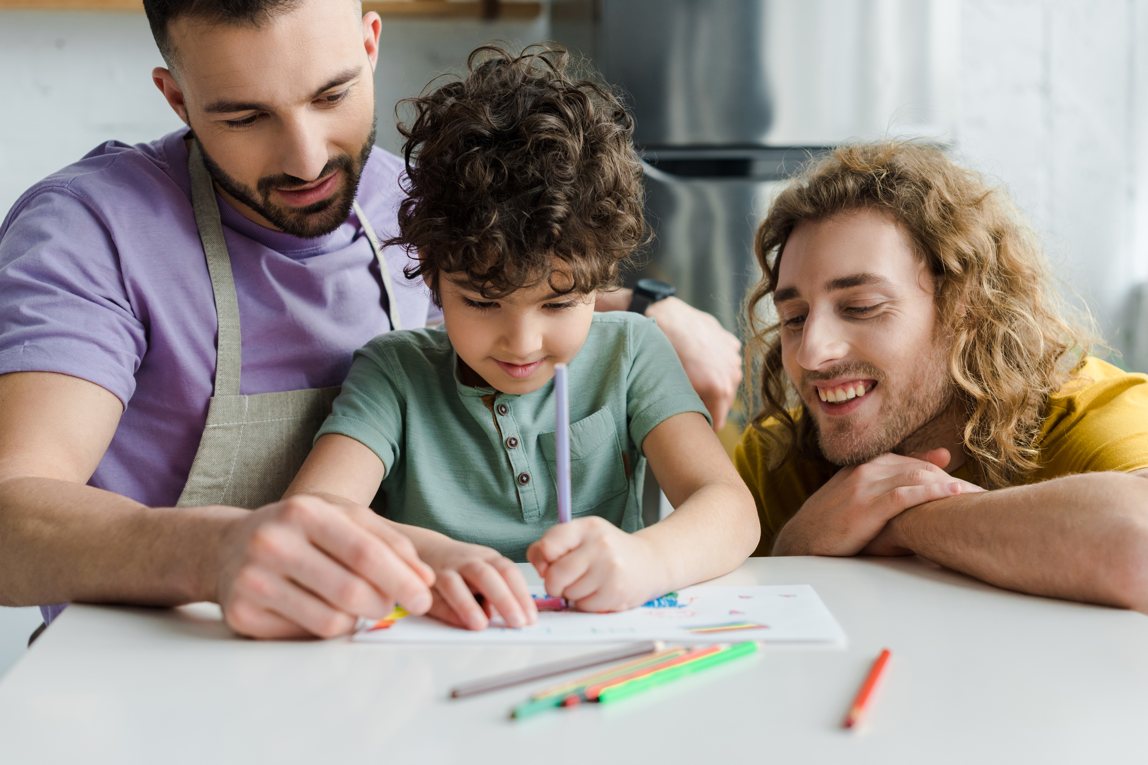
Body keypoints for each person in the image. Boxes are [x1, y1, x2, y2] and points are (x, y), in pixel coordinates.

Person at [0, 0, 743, 640]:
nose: (306, 159)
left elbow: (524, 289)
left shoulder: (412, 200)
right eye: (245, 116)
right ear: (177, 98)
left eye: (333, 95)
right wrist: (213, 551)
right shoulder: (91, 230)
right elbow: (11, 518)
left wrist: (651, 305)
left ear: (370, 42)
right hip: (144, 679)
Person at [285, 45, 760, 632]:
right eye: (483, 302)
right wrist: (437, 558)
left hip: (600, 651)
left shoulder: (632, 352)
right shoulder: (395, 372)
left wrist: (647, 559)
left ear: (602, 276)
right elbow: (314, 513)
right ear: (432, 274)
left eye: (559, 303)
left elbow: (732, 510)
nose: (523, 342)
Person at [736, 141, 1148, 611]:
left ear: (964, 308)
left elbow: (1138, 544)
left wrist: (904, 514)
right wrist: (794, 548)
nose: (811, 351)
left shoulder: (1093, 412)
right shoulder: (776, 458)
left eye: (860, 308)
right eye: (794, 317)